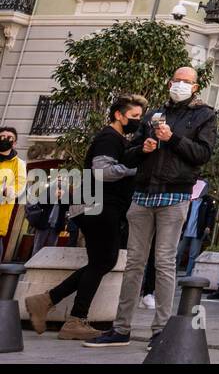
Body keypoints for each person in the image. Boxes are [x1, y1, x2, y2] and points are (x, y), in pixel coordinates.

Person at [87, 67, 217, 348]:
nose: (180, 85)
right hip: (143, 193)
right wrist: (142, 148)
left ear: (195, 87)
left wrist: (174, 139)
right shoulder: (153, 114)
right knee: (134, 262)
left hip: (175, 194)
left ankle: (161, 330)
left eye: (186, 82)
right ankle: (121, 328)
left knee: (164, 262)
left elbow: (203, 154)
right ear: (169, 82)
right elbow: (129, 154)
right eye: (176, 80)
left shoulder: (204, 115)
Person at [27, 95, 144, 340]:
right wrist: (137, 167)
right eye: (134, 116)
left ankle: (47, 301)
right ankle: (70, 316)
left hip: (97, 204)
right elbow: (102, 171)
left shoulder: (118, 140)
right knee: (104, 261)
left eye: (140, 117)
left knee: (101, 261)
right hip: (99, 204)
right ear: (118, 115)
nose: (137, 121)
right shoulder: (108, 138)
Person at [176, 178, 215, 277]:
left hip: (198, 232)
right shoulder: (188, 198)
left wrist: (208, 227)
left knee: (193, 255)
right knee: (177, 253)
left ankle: (188, 276)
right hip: (184, 231)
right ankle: (173, 273)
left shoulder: (208, 201)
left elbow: (211, 215)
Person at [0, 125, 26, 258]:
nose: (5, 140)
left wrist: (8, 191)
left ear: (14, 143)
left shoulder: (19, 164)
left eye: (10, 138)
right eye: (2, 137)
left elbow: (19, 186)